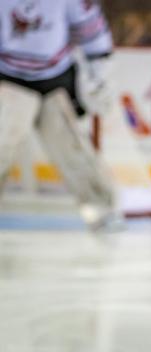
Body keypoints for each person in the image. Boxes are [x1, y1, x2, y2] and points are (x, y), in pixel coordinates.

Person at [0, 0, 121, 230]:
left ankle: (101, 211)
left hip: (55, 78)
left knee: (72, 151)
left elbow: (91, 31)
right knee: (2, 144)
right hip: (10, 79)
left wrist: (101, 74)